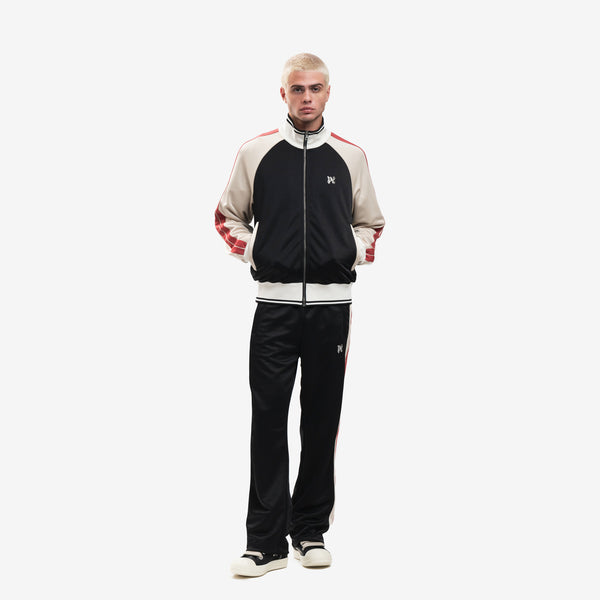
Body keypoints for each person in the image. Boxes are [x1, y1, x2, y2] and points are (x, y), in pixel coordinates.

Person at [215, 53, 385, 577]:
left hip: (332, 310)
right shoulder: (257, 152)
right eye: (297, 89)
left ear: (328, 92)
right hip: (273, 307)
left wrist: (349, 251)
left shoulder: (350, 156)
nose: (306, 97)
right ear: (283, 94)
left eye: (315, 88)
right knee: (267, 420)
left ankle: (309, 531)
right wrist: (255, 250)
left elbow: (371, 223)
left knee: (321, 419)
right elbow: (227, 216)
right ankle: (264, 543)